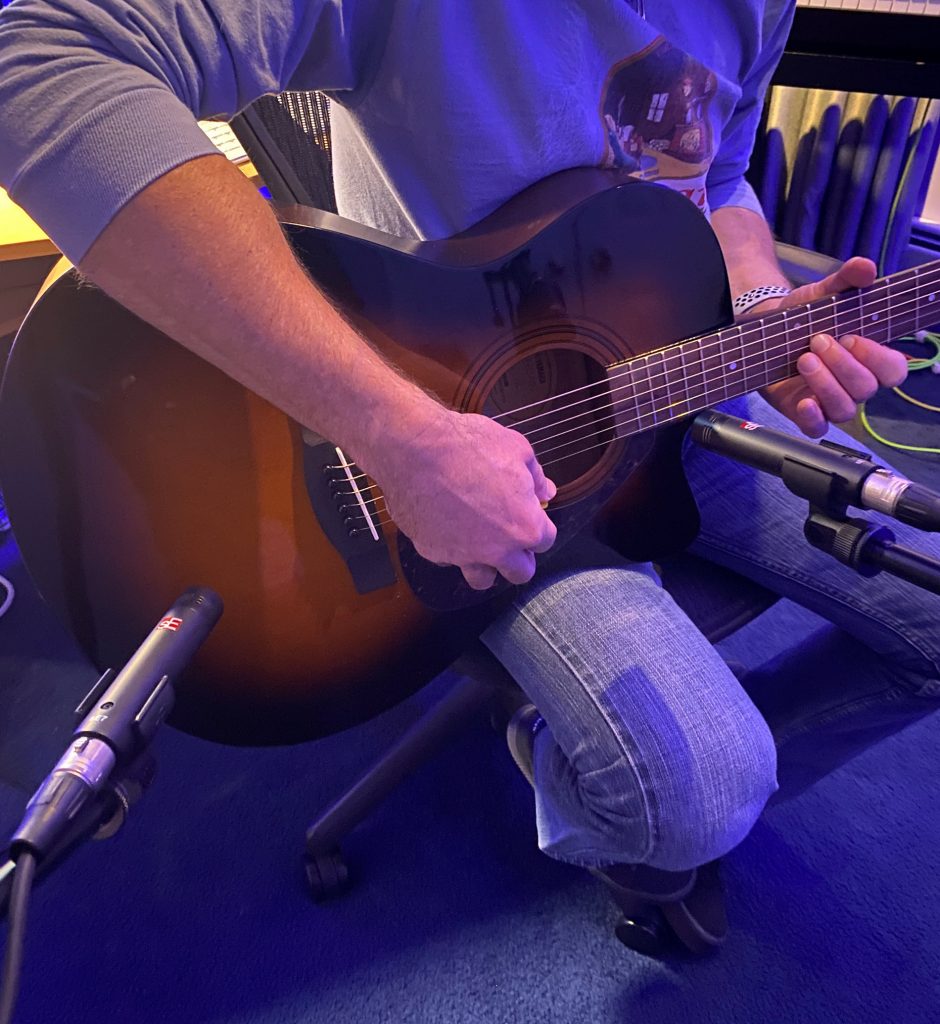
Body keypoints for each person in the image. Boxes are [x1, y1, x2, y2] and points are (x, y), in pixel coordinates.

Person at [0, 0, 937, 952]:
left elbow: (722, 178)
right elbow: (35, 55)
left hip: (670, 376)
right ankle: (592, 761)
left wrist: (767, 310)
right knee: (695, 800)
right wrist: (394, 431)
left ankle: (650, 786)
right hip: (439, 444)